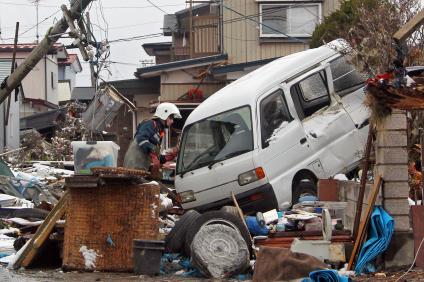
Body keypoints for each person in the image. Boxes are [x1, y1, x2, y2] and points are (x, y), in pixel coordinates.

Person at [123, 102, 182, 177]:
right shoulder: (150, 124)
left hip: (142, 168)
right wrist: (153, 154)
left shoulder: (159, 131)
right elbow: (141, 139)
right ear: (164, 115)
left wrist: (168, 157)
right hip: (134, 166)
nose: (172, 121)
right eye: (171, 118)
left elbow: (155, 156)